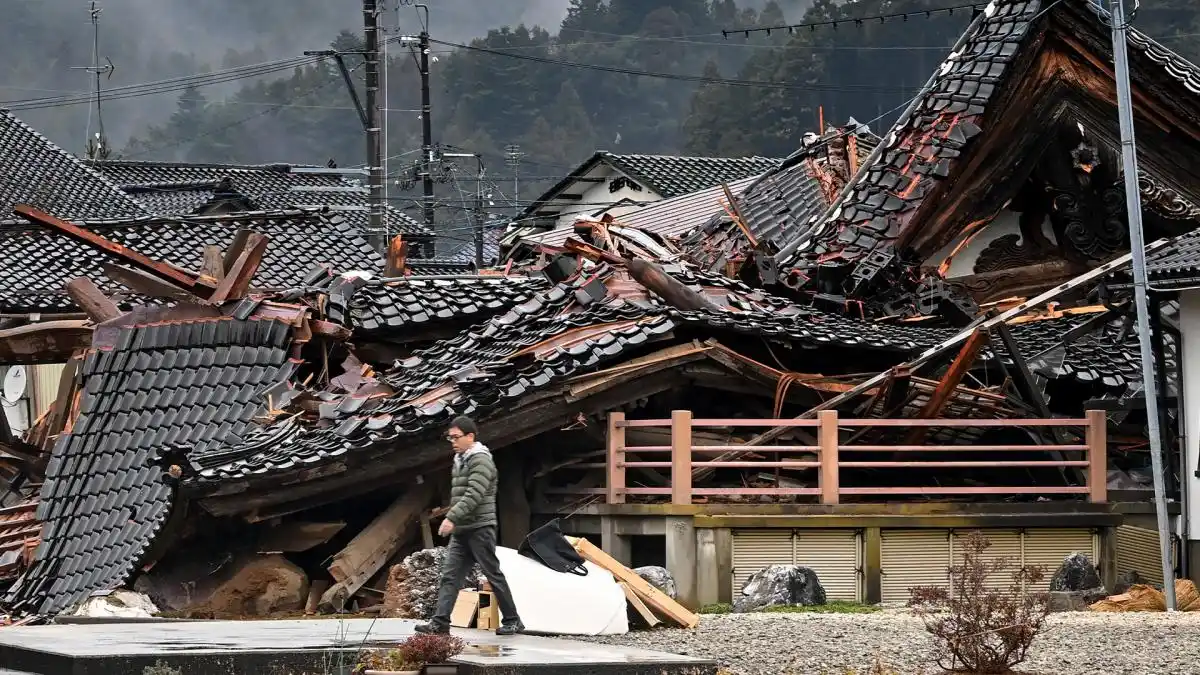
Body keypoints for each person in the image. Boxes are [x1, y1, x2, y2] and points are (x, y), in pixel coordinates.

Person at [416, 416, 524, 636]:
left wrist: (451, 518)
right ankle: (440, 622)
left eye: (456, 437)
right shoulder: (460, 459)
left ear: (470, 436)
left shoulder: (480, 460)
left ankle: (513, 620)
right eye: (450, 438)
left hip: (481, 528)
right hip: (462, 530)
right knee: (450, 575)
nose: (452, 442)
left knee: (492, 574)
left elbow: (474, 493)